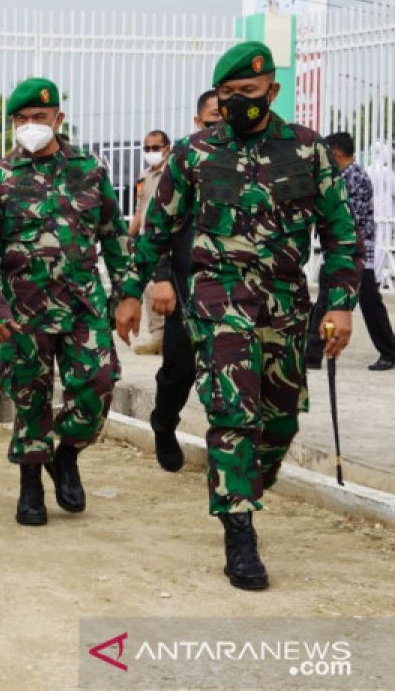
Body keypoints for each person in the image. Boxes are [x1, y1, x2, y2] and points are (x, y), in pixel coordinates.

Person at [115, 41, 361, 591]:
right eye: (227, 95)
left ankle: (251, 483)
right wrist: (136, 288)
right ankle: (240, 532)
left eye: (247, 93)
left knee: (278, 421)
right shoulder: (195, 153)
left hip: (285, 302)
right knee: (233, 412)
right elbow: (154, 231)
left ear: (271, 91)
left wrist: (341, 305)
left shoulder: (307, 151)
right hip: (216, 297)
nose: (237, 103)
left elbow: (341, 233)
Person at [0, 78, 129, 527]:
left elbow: (114, 238)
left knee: (98, 383)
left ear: (58, 119)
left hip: (84, 305)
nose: (29, 126)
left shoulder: (90, 170)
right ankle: (30, 484)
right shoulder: (0, 177)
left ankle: (66, 454)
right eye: (20, 120)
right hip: (24, 311)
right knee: (30, 396)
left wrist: (126, 295)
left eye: (38, 118)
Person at [145, 90, 222, 473]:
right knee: (180, 370)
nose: (220, 128)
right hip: (189, 285)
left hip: (237, 289)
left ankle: (231, 455)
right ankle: (164, 421)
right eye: (212, 122)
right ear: (197, 123)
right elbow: (158, 225)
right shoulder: (187, 159)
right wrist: (162, 277)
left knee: (234, 376)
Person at [305, 132, 395, 371]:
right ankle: (312, 355)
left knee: (368, 304)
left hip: (354, 254)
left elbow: (348, 219)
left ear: (335, 152)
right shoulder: (344, 175)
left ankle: (389, 352)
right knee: (327, 302)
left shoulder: (353, 177)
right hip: (345, 253)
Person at [129, 129, 171, 356]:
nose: (151, 152)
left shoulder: (172, 173)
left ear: (167, 148)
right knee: (148, 287)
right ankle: (158, 338)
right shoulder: (144, 177)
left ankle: (167, 339)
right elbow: (139, 213)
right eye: (147, 149)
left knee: (164, 287)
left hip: (166, 239)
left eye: (156, 148)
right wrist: (128, 238)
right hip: (147, 241)